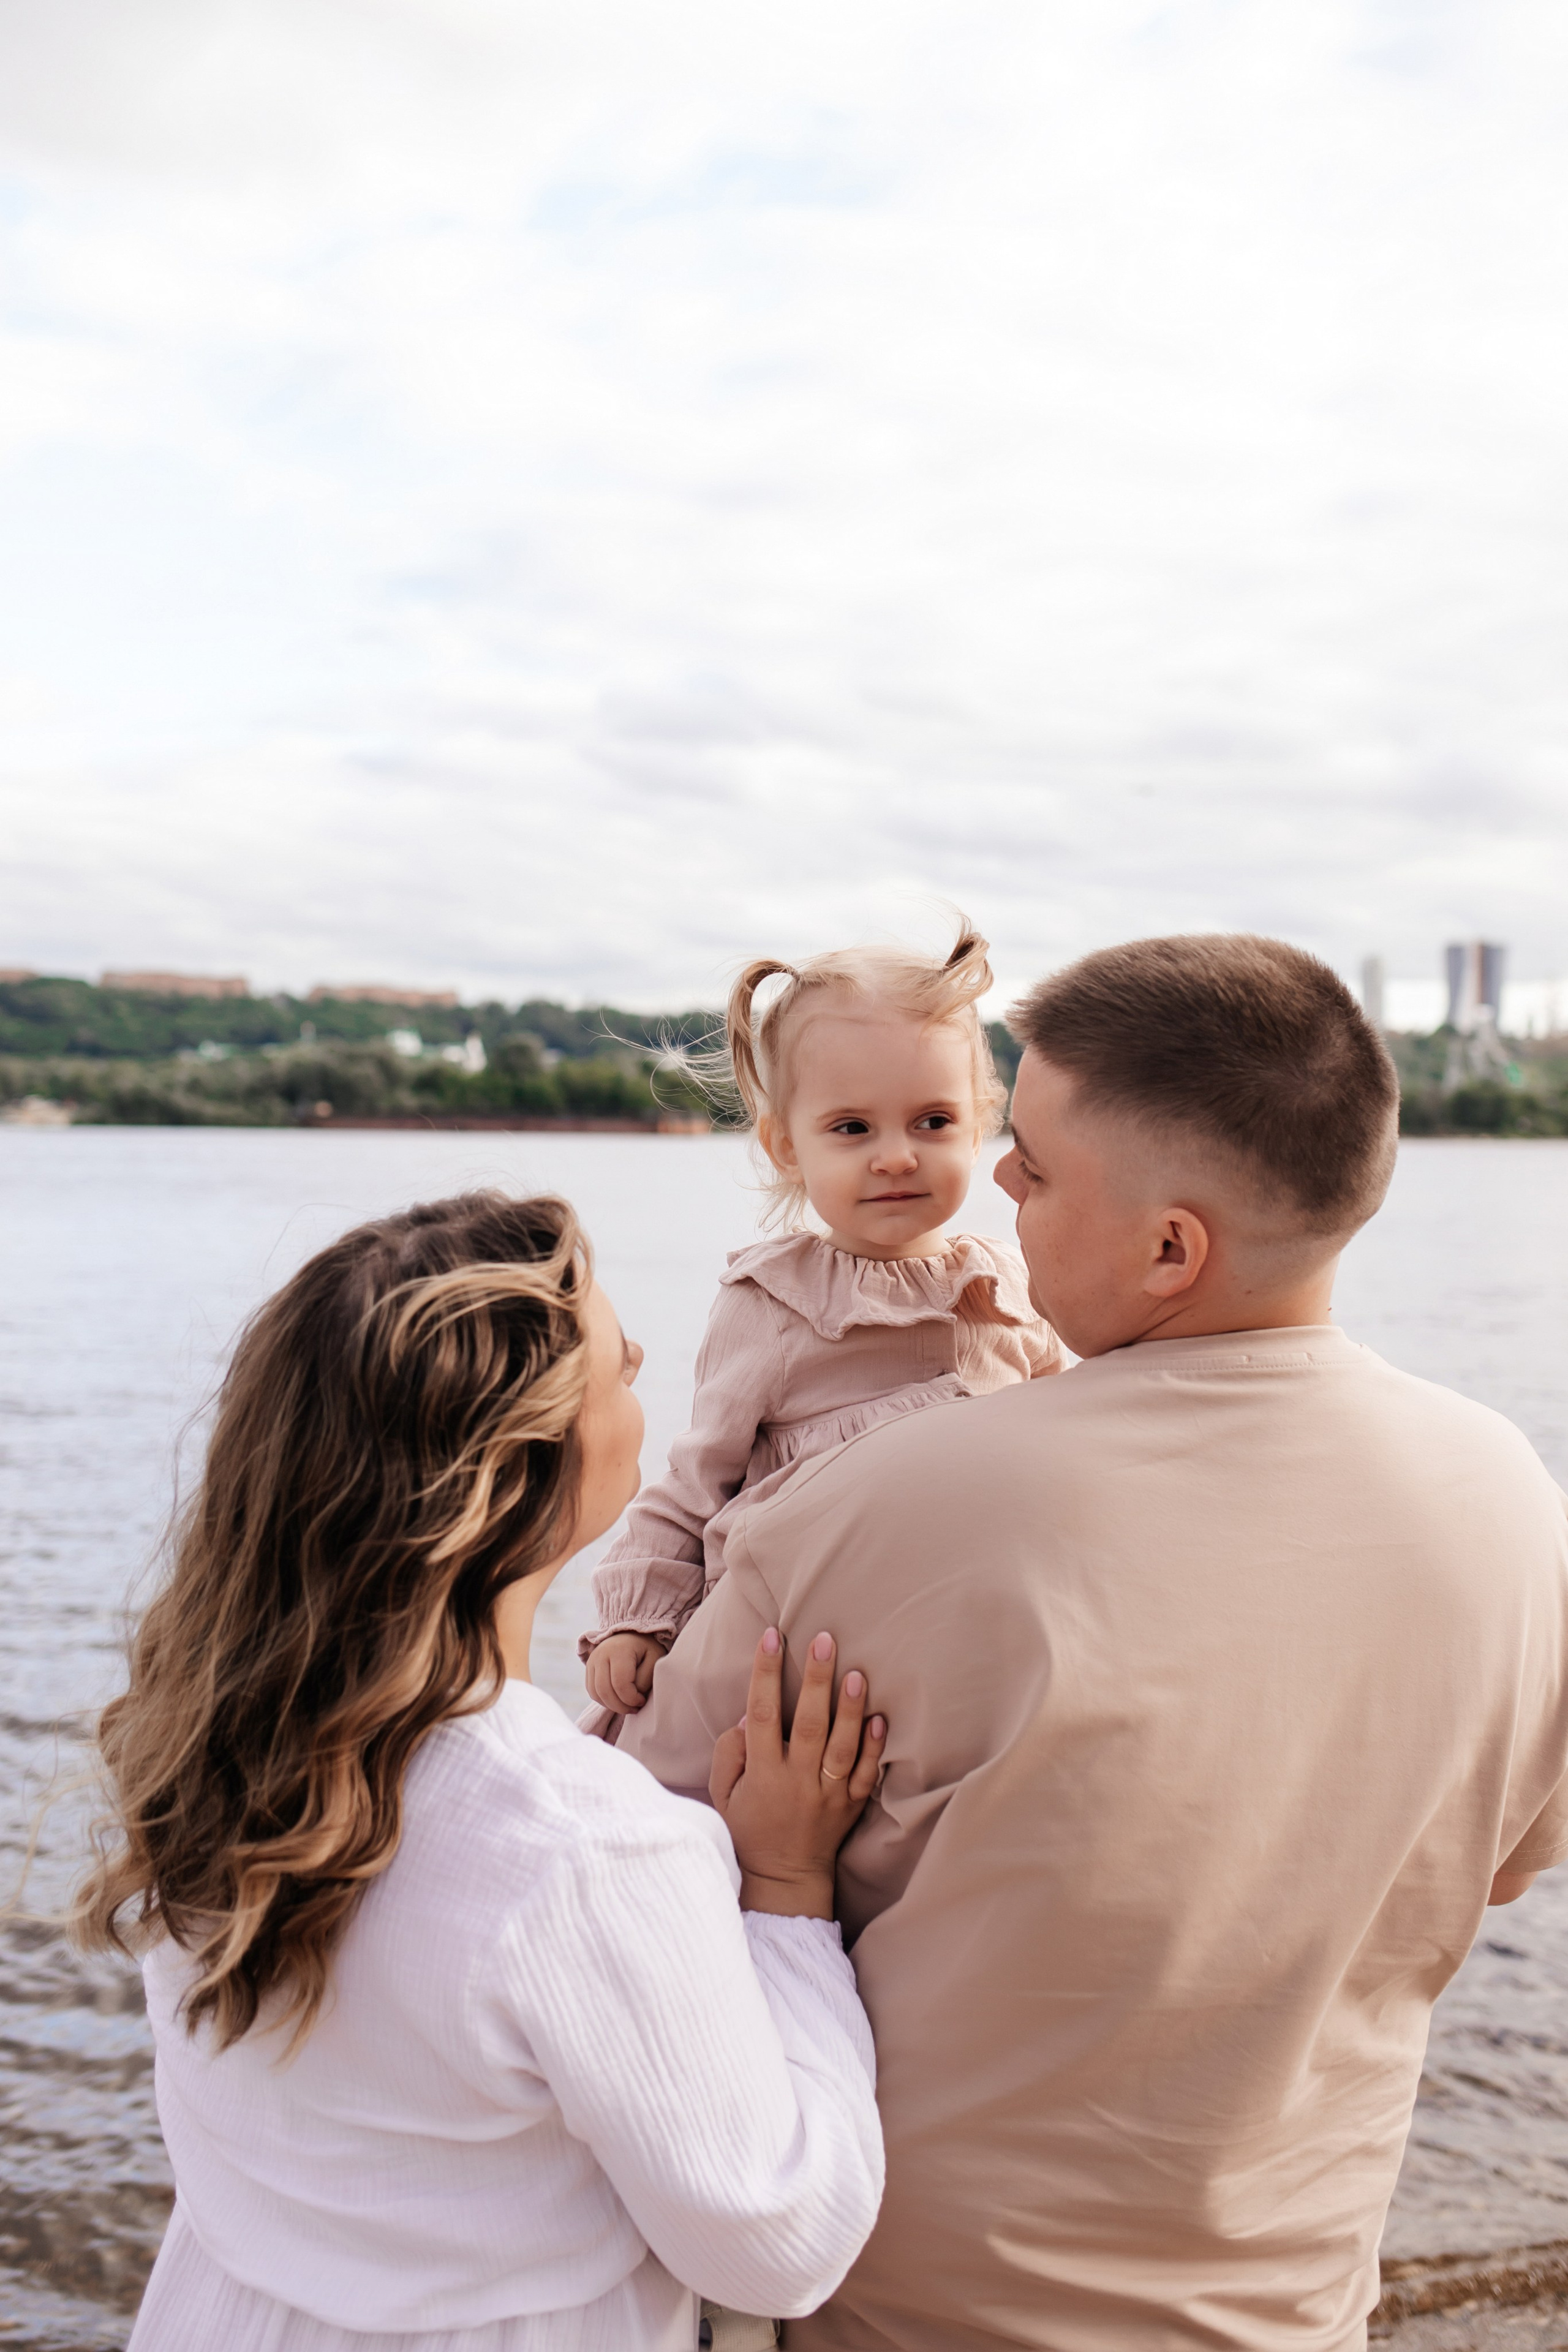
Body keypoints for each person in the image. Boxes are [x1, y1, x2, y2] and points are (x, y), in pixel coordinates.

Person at [620, 934, 1568, 2351]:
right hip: (1296, 2305)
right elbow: (1495, 1862)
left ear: (1169, 1247)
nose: (992, 1183)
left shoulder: (869, 1506)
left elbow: (619, 1861)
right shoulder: (1510, 1497)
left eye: (1037, 1168)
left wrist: (785, 1870)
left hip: (912, 2317)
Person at [72, 1191, 888, 2352]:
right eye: (616, 1363)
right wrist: (790, 1895)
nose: (643, 1353)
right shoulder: (586, 1846)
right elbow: (781, 2240)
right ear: (515, 1476)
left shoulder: (203, 1749)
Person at [582, 920, 1059, 1732]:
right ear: (785, 1148)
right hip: (789, 1649)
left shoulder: (1009, 1281)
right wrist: (636, 1618)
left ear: (981, 1126)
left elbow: (1070, 1428)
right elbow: (698, 1484)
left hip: (954, 1642)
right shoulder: (773, 1303)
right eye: (852, 1129)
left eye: (933, 1122)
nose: (897, 1156)